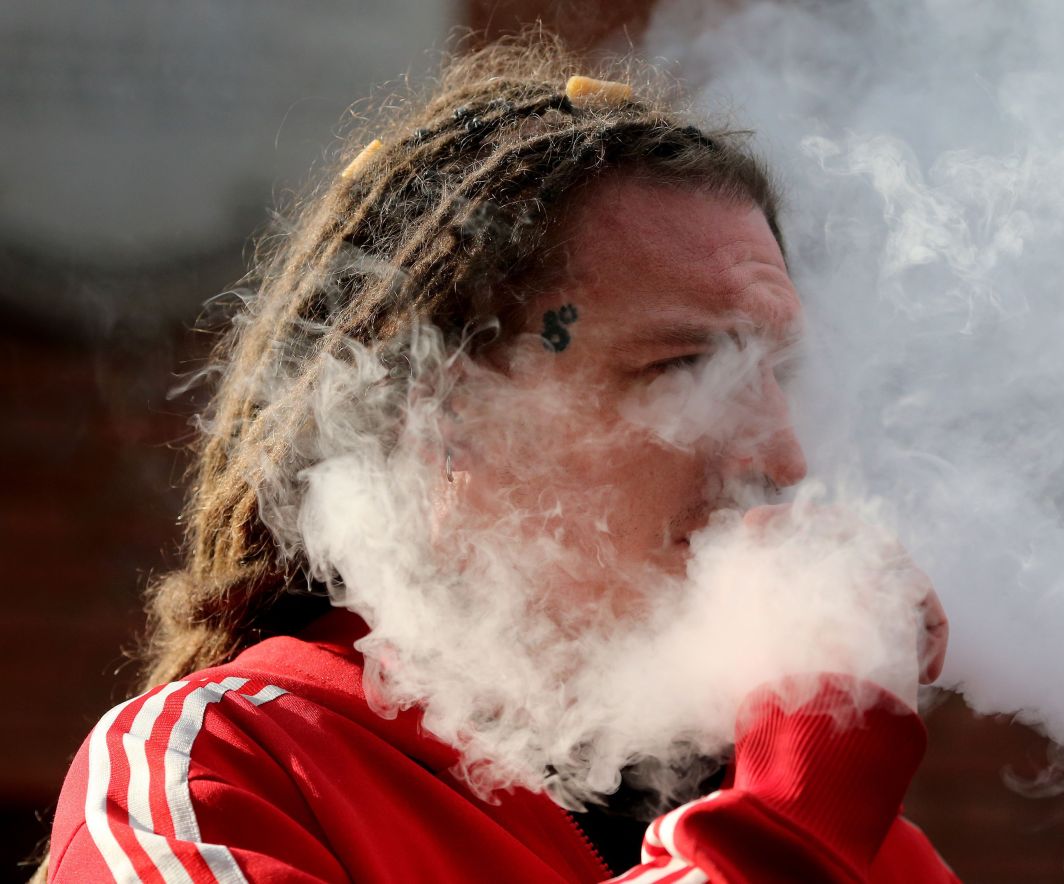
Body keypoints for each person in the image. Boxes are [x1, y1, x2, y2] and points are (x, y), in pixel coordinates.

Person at [41, 33, 958, 883]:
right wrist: (793, 813)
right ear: (438, 419)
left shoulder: (865, 847)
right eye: (683, 367)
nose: (785, 459)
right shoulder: (216, 773)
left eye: (776, 377)